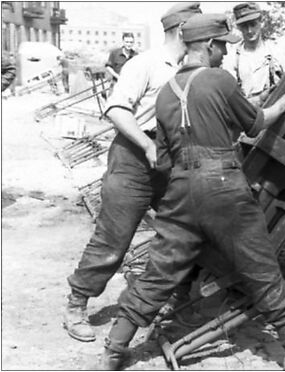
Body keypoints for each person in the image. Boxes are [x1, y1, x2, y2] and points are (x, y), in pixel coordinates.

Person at [99, 13, 285, 371]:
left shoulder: (163, 95)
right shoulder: (219, 80)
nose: (224, 52)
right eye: (222, 45)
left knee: (160, 269)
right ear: (208, 45)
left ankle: (114, 349)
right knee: (258, 264)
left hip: (178, 188)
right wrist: (282, 106)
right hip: (222, 185)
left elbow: (162, 158)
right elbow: (253, 124)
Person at [63, 2, 202, 344]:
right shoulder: (145, 63)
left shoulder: (192, 67)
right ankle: (76, 304)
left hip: (173, 159)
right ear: (181, 28)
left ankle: (180, 296)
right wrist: (146, 145)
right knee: (114, 237)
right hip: (133, 158)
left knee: (185, 228)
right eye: (196, 26)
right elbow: (117, 110)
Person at [222, 2, 285, 107]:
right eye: (244, 26)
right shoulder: (232, 58)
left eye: (253, 24)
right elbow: (230, 99)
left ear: (261, 22)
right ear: (239, 27)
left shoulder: (276, 53)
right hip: (245, 114)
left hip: (275, 112)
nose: (249, 31)